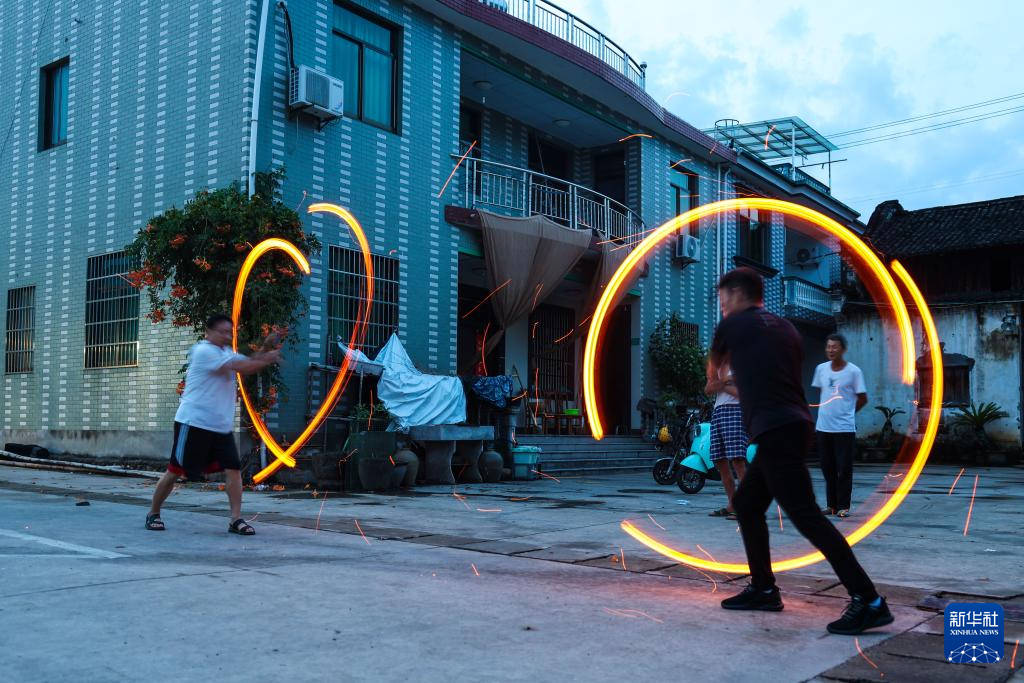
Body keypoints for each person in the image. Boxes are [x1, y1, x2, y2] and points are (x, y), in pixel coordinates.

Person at [710, 267, 892, 636]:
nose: (721, 304)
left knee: (807, 515)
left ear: (735, 293)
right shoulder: (785, 328)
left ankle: (869, 599)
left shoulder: (733, 325)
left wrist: (718, 380)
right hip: (792, 424)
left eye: (722, 297)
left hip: (775, 429)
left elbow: (712, 372)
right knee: (747, 504)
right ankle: (763, 588)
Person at [146, 314, 282, 535]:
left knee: (234, 470)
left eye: (230, 332)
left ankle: (235, 519)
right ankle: (153, 513)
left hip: (220, 426)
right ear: (208, 332)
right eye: (222, 331)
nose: (227, 335)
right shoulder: (203, 351)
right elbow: (245, 367)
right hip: (194, 423)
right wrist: (267, 358)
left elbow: (246, 362)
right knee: (175, 471)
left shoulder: (225, 353)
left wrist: (265, 349)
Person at [813, 334, 868, 518]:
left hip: (844, 429)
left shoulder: (854, 372)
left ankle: (843, 505)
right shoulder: (821, 369)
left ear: (843, 349)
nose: (830, 350)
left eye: (834, 347)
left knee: (844, 468)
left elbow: (863, 398)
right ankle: (832, 505)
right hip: (823, 427)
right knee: (827, 468)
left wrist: (848, 413)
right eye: (828, 347)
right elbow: (822, 393)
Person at [704, 361, 747, 519]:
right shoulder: (716, 366)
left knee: (738, 461)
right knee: (720, 461)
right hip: (718, 411)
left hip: (736, 410)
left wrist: (719, 383)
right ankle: (732, 504)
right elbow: (708, 389)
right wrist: (726, 381)